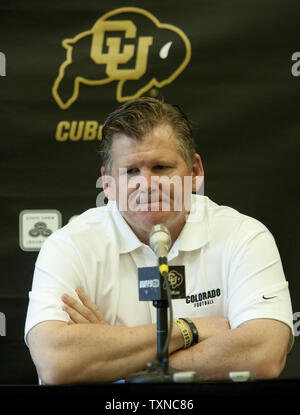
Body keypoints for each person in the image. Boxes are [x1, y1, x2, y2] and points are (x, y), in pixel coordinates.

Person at [25, 97, 293, 385]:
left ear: (195, 172)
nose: (147, 185)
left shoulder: (243, 236)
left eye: (161, 167)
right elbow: (56, 362)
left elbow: (264, 353)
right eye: (130, 172)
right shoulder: (70, 246)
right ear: (108, 184)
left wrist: (113, 362)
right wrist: (189, 329)